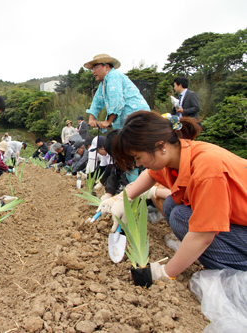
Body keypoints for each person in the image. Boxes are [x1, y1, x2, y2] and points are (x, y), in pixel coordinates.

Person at [110, 111, 247, 283]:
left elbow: (203, 235)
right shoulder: (177, 156)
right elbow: (151, 175)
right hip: (239, 225)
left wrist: (166, 273)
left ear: (161, 146)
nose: (138, 164)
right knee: (171, 206)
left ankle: (238, 270)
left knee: (182, 217)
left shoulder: (208, 168)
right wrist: (121, 199)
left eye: (138, 157)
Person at [84, 54, 150, 130]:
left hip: (137, 118)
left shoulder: (113, 75)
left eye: (96, 67)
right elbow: (97, 101)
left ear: (106, 66)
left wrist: (108, 121)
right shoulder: (103, 83)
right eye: (92, 69)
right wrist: (92, 118)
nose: (93, 72)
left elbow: (116, 101)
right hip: (126, 124)